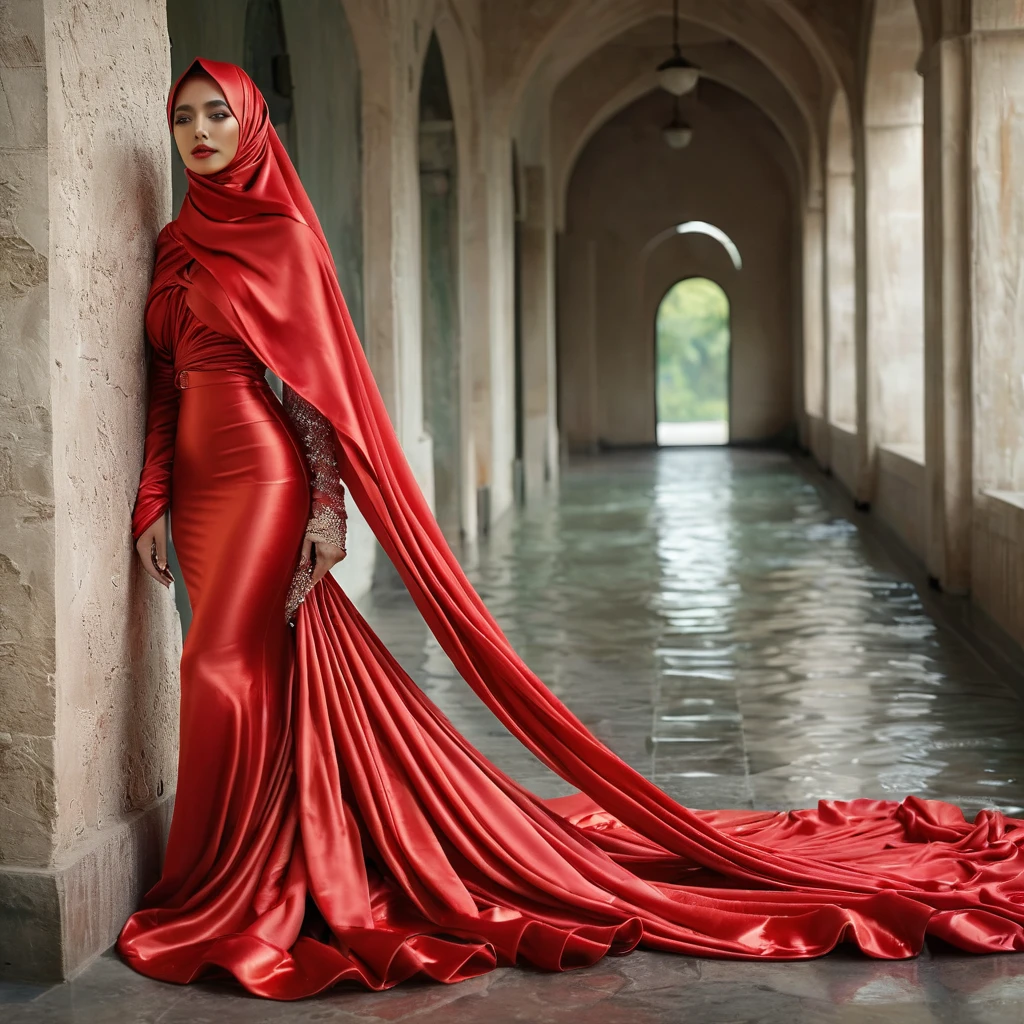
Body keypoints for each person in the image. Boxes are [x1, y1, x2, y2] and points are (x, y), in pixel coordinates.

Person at [118, 57, 1024, 1001]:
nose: (201, 131)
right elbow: (160, 382)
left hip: (262, 475)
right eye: (185, 118)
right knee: (255, 668)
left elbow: (313, 392)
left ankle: (216, 889)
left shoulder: (283, 238)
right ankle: (265, 853)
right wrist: (151, 499)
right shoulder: (177, 241)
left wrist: (328, 506)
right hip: (194, 489)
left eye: (219, 113)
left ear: (253, 124)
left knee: (214, 666)